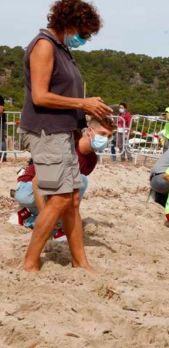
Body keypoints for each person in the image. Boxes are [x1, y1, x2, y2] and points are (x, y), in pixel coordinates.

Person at [19, 0, 111, 272]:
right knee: (59, 198)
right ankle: (30, 262)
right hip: (47, 130)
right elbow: (40, 95)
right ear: (68, 23)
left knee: (71, 198)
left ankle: (80, 262)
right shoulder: (44, 45)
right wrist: (83, 104)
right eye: (83, 33)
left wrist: (87, 109)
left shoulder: (62, 48)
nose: (84, 39)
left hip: (62, 131)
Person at [15, 117, 115, 231]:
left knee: (75, 184)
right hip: (28, 187)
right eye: (102, 134)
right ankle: (38, 216)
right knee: (79, 181)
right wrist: (46, 220)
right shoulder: (67, 145)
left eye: (109, 136)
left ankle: (27, 217)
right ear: (89, 131)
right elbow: (36, 182)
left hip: (52, 188)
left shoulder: (92, 159)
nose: (105, 139)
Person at [0, 95, 6, 162]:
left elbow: (1, 110)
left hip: (1, 121)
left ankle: (3, 156)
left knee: (1, 139)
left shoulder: (0, 97)